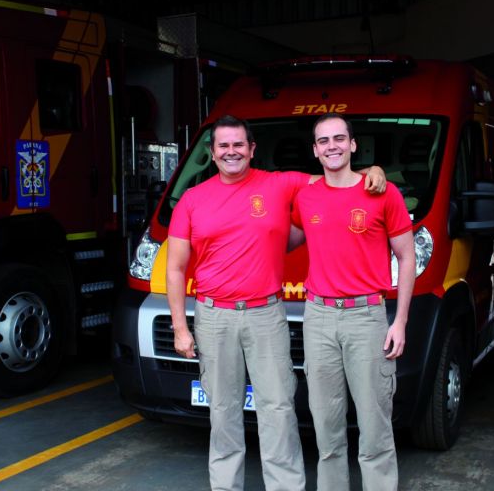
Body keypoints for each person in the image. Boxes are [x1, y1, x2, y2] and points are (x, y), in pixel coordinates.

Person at [166, 114, 386, 491]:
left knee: (278, 409)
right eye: (223, 146)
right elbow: (175, 269)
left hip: (266, 314)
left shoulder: (280, 183)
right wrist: (181, 329)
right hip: (213, 316)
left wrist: (372, 170)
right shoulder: (191, 199)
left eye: (239, 145)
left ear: (252, 150)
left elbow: (335, 174)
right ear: (213, 153)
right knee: (222, 413)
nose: (231, 151)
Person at [291, 113, 416, 491]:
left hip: (366, 317)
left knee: (375, 429)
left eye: (339, 139)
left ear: (353, 145)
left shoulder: (381, 191)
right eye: (324, 141)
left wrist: (400, 322)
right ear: (315, 150)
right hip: (318, 317)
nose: (332, 146)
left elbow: (406, 257)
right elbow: (279, 239)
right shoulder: (305, 196)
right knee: (327, 431)